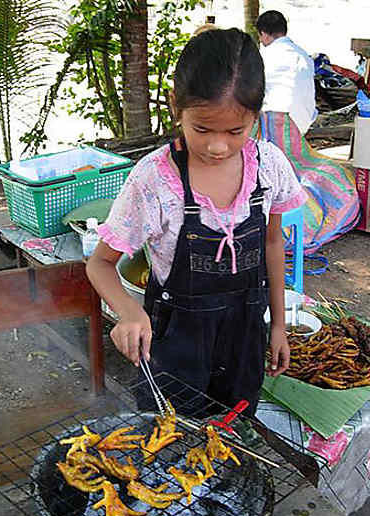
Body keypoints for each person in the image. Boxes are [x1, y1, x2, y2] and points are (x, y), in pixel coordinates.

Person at [86, 27, 307, 417]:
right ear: (176, 106)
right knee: (169, 443)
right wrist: (129, 311)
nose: (218, 146)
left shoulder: (269, 166)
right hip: (175, 344)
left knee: (231, 434)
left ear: (256, 116)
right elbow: (100, 264)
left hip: (244, 338)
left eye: (236, 131)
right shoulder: (153, 179)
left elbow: (273, 243)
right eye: (201, 129)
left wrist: (277, 325)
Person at [256, 10, 317, 134]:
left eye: (260, 36)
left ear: (264, 34)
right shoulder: (304, 55)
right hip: (303, 124)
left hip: (275, 124)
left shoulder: (264, 56)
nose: (261, 41)